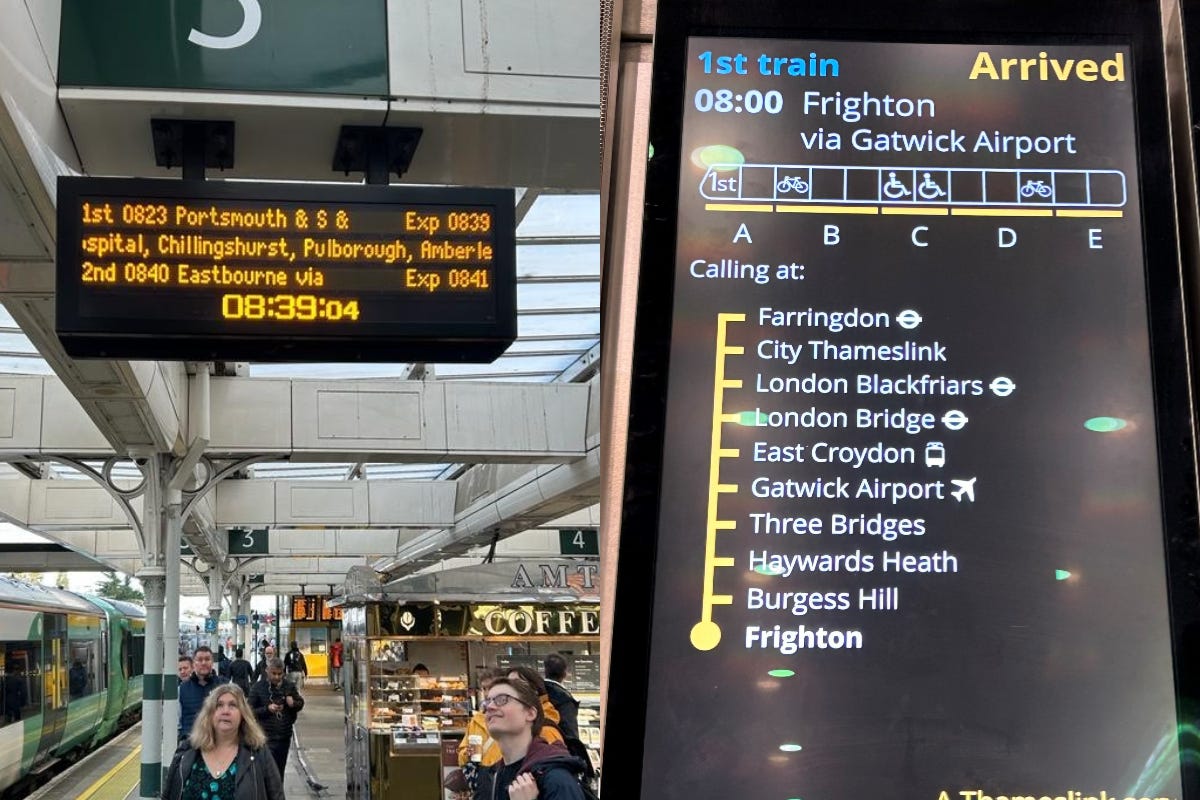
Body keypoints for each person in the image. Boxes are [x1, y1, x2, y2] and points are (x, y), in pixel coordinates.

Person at [162, 684, 285, 800]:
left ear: (243, 714)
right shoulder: (187, 750)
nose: (225, 711)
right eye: (219, 705)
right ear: (209, 714)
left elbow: (277, 796)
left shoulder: (258, 752)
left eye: (233, 705)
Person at [472, 675, 586, 800]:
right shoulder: (493, 775)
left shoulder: (557, 779)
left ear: (530, 713)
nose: (489, 707)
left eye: (502, 699)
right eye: (488, 701)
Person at [250, 656, 305, 777]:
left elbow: (300, 703)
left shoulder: (288, 686)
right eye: (273, 673)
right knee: (266, 773)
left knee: (279, 772)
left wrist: (293, 704)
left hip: (284, 737)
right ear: (267, 671)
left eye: (280, 674)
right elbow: (249, 710)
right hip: (265, 737)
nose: (277, 677)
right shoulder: (258, 688)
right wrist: (267, 709)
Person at [179, 646, 228, 742]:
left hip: (218, 741)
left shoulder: (225, 686)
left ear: (212, 662)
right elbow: (177, 722)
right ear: (194, 664)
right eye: (200, 660)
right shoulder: (182, 689)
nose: (204, 663)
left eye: (207, 659)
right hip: (191, 743)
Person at [542, 654, 580, 741]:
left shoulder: (536, 692)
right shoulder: (565, 699)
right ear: (565, 673)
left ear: (545, 671)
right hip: (559, 747)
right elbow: (570, 733)